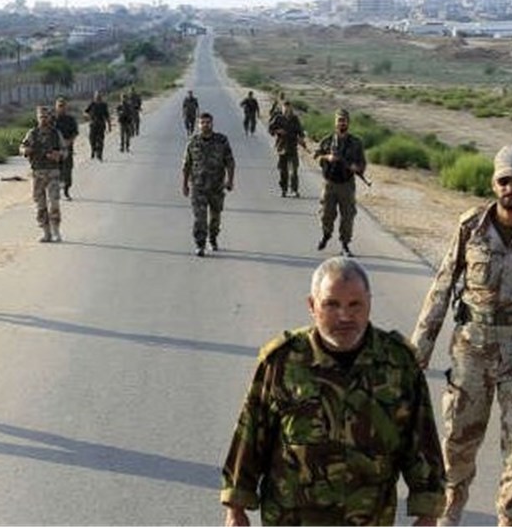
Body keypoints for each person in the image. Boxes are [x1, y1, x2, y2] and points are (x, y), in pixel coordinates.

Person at [409, 145, 512, 526]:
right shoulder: (471, 227)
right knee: (458, 443)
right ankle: (449, 513)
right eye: (504, 181)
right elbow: (442, 286)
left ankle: (510, 520)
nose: (510, 189)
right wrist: (419, 348)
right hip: (473, 349)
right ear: (493, 183)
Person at [221, 257, 446, 526]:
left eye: (355, 304)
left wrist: (428, 513)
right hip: (291, 518)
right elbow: (250, 433)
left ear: (369, 303)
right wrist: (235, 508)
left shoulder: (398, 363)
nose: (345, 316)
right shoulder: (283, 360)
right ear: (312, 305)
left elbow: (422, 441)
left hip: (369, 518)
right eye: (331, 304)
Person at [313, 108, 366, 257]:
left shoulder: (356, 143)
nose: (342, 123)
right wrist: (327, 158)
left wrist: (357, 168)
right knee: (326, 214)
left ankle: (345, 244)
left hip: (347, 184)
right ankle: (326, 234)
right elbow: (316, 156)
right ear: (335, 122)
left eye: (344, 121)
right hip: (329, 183)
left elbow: (362, 163)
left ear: (348, 123)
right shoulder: (327, 140)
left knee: (347, 216)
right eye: (339, 120)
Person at [181, 112, 235, 257]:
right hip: (198, 187)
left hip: (216, 187)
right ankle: (200, 244)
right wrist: (185, 185)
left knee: (215, 217)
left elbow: (230, 162)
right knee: (200, 218)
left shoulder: (221, 141)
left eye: (208, 122)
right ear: (198, 125)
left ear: (212, 124)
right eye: (202, 122)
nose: (205, 125)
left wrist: (230, 180)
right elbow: (186, 164)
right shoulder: (193, 142)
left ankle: (213, 237)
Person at [19, 106, 65, 242]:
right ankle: (46, 232)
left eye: (45, 117)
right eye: (41, 117)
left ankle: (56, 231)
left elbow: (65, 151)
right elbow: (22, 147)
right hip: (38, 173)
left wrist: (58, 155)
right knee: (40, 204)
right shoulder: (32, 133)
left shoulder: (56, 134)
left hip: (53, 172)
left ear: (49, 117)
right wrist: (26, 151)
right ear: (37, 118)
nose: (43, 119)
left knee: (54, 203)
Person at [267, 100, 306, 198]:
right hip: (281, 148)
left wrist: (301, 138)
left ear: (291, 108)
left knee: (294, 171)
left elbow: (300, 131)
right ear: (282, 108)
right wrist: (277, 131)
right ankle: (284, 189)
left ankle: (294, 190)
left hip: (292, 147)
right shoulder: (278, 118)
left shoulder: (295, 119)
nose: (286, 111)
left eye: (288, 109)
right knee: (283, 171)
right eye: (285, 109)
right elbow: (270, 129)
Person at [53, 96, 78, 200]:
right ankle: (56, 191)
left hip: (67, 148)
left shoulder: (70, 119)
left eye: (63, 106)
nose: (61, 108)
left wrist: (69, 141)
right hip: (55, 149)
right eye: (59, 106)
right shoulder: (52, 120)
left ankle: (66, 191)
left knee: (67, 170)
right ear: (56, 107)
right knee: (55, 170)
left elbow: (75, 133)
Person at [84, 91, 111, 161]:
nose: (98, 98)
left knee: (100, 140)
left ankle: (100, 154)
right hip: (93, 124)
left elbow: (107, 116)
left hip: (101, 125)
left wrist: (109, 126)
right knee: (91, 139)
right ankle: (93, 150)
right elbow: (85, 112)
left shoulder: (104, 105)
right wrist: (88, 116)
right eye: (97, 97)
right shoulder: (92, 104)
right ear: (94, 97)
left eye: (99, 97)